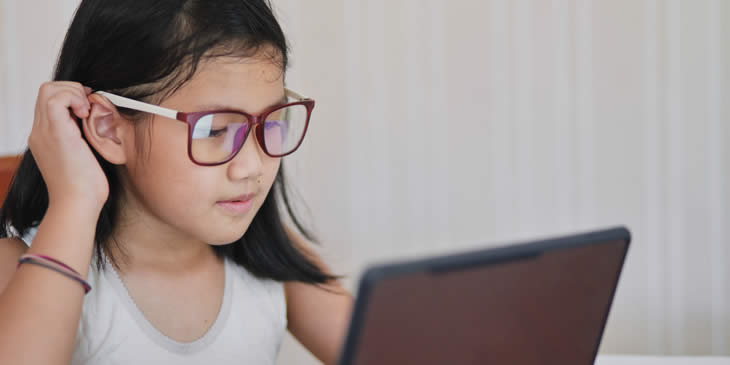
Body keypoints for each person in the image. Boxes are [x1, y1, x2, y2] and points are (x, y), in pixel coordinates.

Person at [0, 1, 353, 364]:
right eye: (214, 129)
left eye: (271, 121)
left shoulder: (267, 257)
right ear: (110, 129)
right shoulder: (19, 266)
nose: (251, 166)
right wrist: (74, 200)